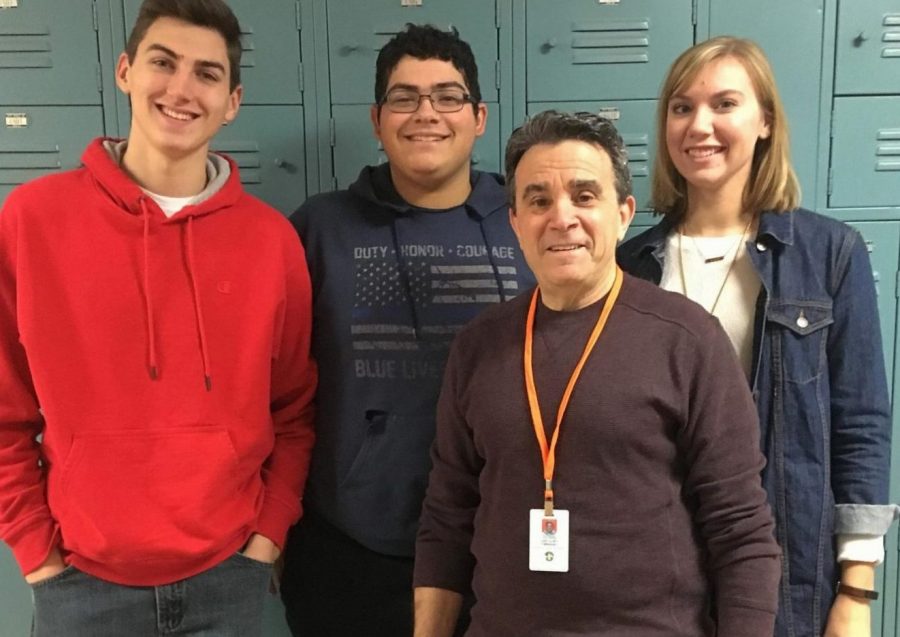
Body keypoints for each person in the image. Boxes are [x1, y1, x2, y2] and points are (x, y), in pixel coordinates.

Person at [0, 1, 317, 635]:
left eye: (206, 73)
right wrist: (37, 553)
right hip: (81, 588)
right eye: (162, 63)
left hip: (233, 577)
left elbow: (294, 410)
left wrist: (268, 536)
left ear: (232, 101)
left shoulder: (271, 241)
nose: (180, 89)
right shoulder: (32, 222)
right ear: (124, 71)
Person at [413, 110, 781, 636]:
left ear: (623, 213)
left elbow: (740, 529)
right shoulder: (479, 346)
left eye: (584, 196)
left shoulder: (687, 339)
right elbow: (446, 518)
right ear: (515, 221)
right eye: (538, 200)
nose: (561, 217)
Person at [618, 36, 898, 637]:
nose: (701, 126)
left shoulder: (829, 255)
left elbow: (860, 425)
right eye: (682, 107)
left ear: (765, 120)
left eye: (725, 104)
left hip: (788, 570)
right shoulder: (630, 267)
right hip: (655, 573)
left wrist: (857, 590)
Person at [278, 23, 534, 637]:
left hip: (499, 548)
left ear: (478, 117)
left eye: (447, 96)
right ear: (376, 118)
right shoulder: (319, 229)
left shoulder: (531, 222)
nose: (426, 113)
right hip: (349, 552)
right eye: (404, 97)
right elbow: (272, 389)